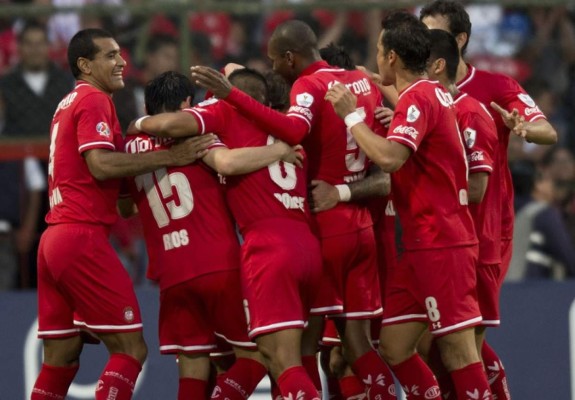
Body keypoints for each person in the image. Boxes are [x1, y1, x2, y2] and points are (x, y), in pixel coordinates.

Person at [191, 20, 398, 400]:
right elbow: (384, 163)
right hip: (363, 228)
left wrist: (233, 96)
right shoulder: (363, 83)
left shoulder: (309, 85)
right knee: (356, 345)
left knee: (300, 348)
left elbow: (293, 131)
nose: (274, 69)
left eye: (275, 60)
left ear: (290, 57)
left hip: (323, 228)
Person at [30, 28, 214, 400]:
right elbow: (99, 165)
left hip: (53, 240)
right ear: (85, 64)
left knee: (61, 359)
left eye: (120, 54)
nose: (121, 62)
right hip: (81, 237)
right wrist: (171, 157)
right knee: (131, 349)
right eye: (111, 56)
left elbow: (118, 192)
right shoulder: (95, 99)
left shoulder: (67, 103)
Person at [325, 11, 493, 400]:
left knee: (459, 351)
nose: (377, 57)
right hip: (418, 245)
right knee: (396, 346)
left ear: (393, 57)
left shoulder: (418, 96)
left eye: (380, 51)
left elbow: (390, 159)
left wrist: (351, 115)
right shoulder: (428, 92)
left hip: (443, 242)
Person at [134, 67, 323, 400]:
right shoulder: (279, 131)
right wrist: (279, 151)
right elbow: (225, 163)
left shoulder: (141, 145)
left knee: (196, 365)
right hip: (253, 256)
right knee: (271, 357)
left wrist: (136, 124)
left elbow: (124, 207)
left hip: (173, 270)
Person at [420, 2, 558, 397]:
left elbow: (546, 131)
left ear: (459, 40)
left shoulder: (496, 88)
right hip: (433, 233)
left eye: (432, 34)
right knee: (432, 343)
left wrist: (525, 130)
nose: (423, 42)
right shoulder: (417, 89)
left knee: (463, 345)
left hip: (484, 232)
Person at [423, 28, 501, 398]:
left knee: (464, 352)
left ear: (437, 67)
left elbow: (477, 189)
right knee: (436, 353)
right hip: (441, 244)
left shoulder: (470, 113)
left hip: (469, 248)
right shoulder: (441, 110)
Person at [0, 21, 73, 288]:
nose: (34, 49)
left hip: (62, 170)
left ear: (49, 47)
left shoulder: (64, 81)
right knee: (24, 242)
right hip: (17, 173)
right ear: (19, 48)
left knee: (62, 239)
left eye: (39, 43)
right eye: (28, 43)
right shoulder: (6, 84)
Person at [508, 160, 575, 280]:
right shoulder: (544, 213)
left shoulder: (500, 210)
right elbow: (568, 257)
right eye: (548, 180)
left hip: (497, 288)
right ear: (538, 184)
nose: (552, 185)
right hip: (531, 290)